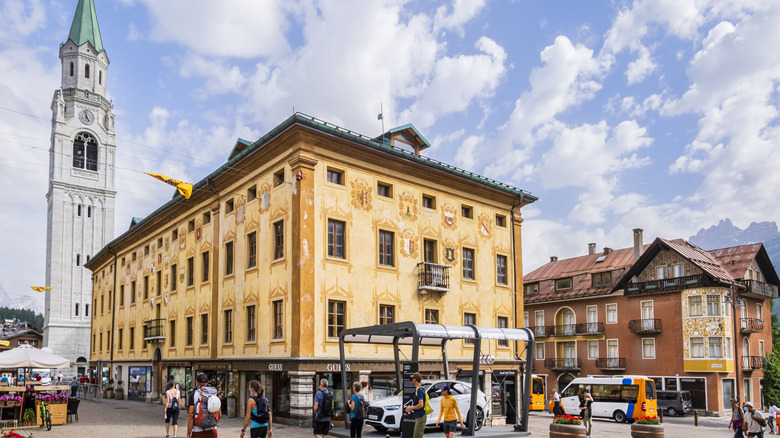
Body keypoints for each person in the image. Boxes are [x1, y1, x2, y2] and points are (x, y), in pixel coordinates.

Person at [187, 373, 217, 438]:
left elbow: (191, 415)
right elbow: (219, 413)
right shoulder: (214, 393)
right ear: (207, 382)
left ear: (196, 382)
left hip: (197, 431)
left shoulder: (193, 395)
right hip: (213, 430)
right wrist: (212, 423)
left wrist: (188, 433)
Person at [403, 372, 426, 438]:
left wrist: (411, 408)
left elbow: (421, 405)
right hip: (419, 416)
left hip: (420, 416)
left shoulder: (419, 390)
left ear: (415, 379)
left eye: (413, 378)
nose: (412, 380)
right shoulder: (418, 389)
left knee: (417, 436)